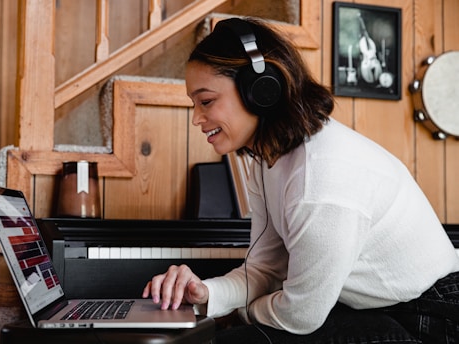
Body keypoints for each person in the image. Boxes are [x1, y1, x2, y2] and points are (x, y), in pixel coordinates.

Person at [142, 17, 459, 343]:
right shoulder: (267, 160)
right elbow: (265, 269)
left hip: (433, 315)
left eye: (206, 101)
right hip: (377, 307)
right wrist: (206, 293)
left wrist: (241, 313)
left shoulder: (320, 177)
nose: (196, 118)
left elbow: (301, 315)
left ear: (260, 90)